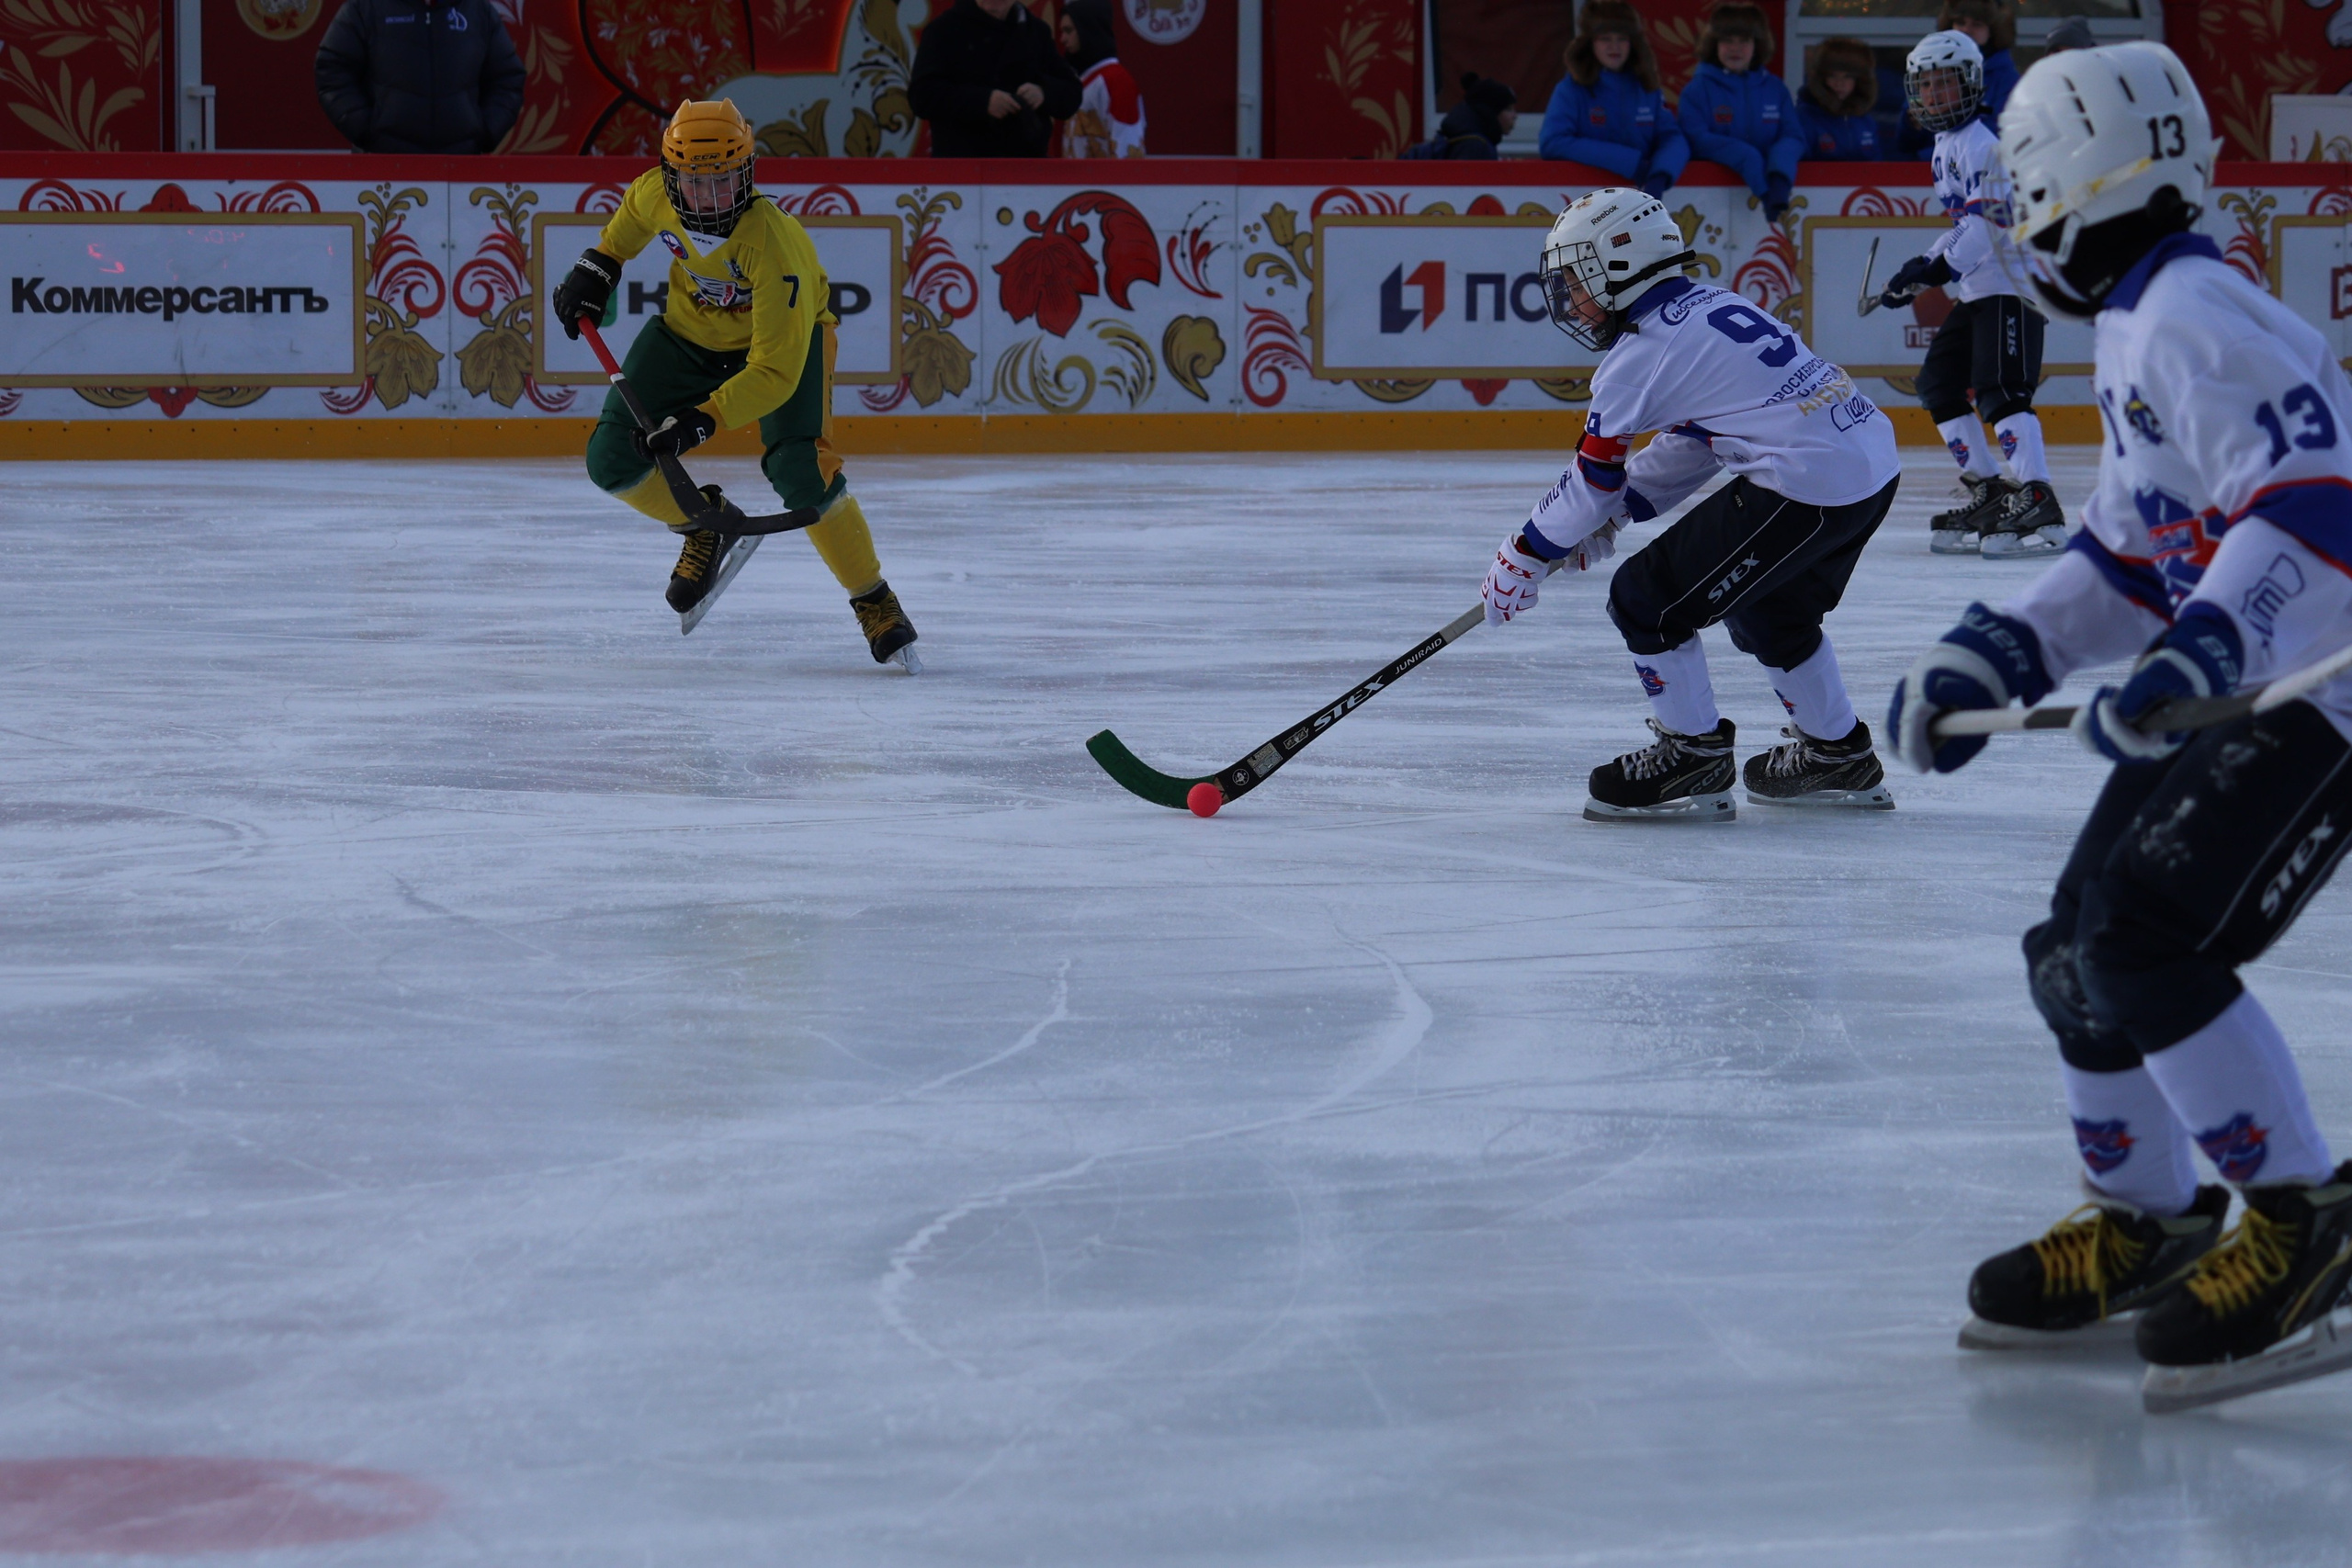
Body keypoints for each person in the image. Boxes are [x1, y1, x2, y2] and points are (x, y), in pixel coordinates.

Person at [1889, 43, 2352, 1411]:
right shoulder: (2147, 319)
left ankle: (2301, 1213)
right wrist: (2010, 641)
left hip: (2314, 699)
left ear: (2059, 193)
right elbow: (2135, 551)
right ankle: (2149, 1216)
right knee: (2079, 938)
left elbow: (2318, 504)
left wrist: (2207, 639)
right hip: (2242, 683)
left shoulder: (2197, 315)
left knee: (2143, 937)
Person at [1478, 188, 1901, 821]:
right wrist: (1619, 511)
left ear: (1620, 266)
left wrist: (1526, 552)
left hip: (1808, 483)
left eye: (1578, 277)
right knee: (1770, 612)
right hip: (1866, 466)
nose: (1571, 296)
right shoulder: (1710, 303)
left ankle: (1693, 756)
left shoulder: (1644, 350)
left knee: (1645, 600)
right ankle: (1836, 753)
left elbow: (1592, 478)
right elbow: (1699, 440)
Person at [547, 99, 919, 669]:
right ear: (672, 179)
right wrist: (600, 265)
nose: (711, 198)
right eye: (696, 183)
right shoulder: (653, 193)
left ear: (746, 174)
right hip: (686, 337)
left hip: (784, 346)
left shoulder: (776, 245)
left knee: (799, 468)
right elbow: (630, 221)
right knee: (610, 459)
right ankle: (703, 524)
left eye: (723, 181)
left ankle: (875, 600)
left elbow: (774, 369)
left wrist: (704, 421)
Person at [1878, 29, 2063, 558]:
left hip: (2011, 286)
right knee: (1937, 384)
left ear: (1972, 85)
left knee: (2001, 390)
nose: (1935, 96)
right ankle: (1990, 491)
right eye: (1926, 86)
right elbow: (1962, 225)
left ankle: (2037, 495)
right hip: (1981, 287)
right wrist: (1915, 272)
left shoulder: (1986, 146)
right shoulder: (1944, 148)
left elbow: (1989, 227)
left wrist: (1936, 267)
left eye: (1945, 84)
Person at [313, 0, 525, 154]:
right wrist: (368, 131)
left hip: (461, 168)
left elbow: (507, 79)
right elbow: (332, 69)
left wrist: (484, 133)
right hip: (383, 169)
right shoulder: (365, 8)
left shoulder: (478, 10)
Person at [1537, 1, 1687, 197]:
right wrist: (1629, 163)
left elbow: (1673, 138)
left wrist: (1661, 174)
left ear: (1633, 43)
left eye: (1621, 38)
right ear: (1590, 43)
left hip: (1639, 199)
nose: (1614, 46)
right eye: (1605, 38)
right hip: (1584, 200)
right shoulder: (1572, 89)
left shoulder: (1646, 88)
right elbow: (1552, 142)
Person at [1677, 3, 1804, 223]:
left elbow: (1793, 137)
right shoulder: (1697, 89)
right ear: (1714, 44)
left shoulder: (1775, 88)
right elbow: (1695, 139)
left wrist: (1780, 178)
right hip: (1707, 201)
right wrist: (1746, 158)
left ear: (1757, 45)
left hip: (1774, 200)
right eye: (1728, 41)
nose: (1735, 48)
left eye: (1743, 41)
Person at [909, 0, 1081, 158]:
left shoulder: (1035, 32)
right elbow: (922, 95)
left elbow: (1072, 91)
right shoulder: (944, 30)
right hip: (962, 168)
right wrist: (983, 102)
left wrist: (1043, 92)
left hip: (1025, 169)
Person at [1057, 0, 1145, 158]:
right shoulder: (1082, 80)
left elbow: (1128, 155)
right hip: (1079, 182)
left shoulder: (1117, 82)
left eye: (1069, 30)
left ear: (1088, 30)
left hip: (1102, 182)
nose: (1062, 39)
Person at [1796, 37, 1881, 161]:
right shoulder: (1805, 118)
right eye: (1833, 76)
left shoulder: (1866, 122)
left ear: (1860, 80)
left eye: (1847, 76)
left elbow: (1877, 169)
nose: (1839, 83)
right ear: (1821, 78)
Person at [1406, 74, 1516, 161]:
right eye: (1508, 109)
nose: (1514, 116)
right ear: (1490, 112)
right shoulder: (1475, 146)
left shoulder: (1462, 140)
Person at [1939, 0, 2019, 117]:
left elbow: (2000, 128)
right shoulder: (1933, 67)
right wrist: (1911, 125)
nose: (1966, 30)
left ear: (1992, 31)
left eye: (1976, 24)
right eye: (1960, 23)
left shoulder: (2006, 78)